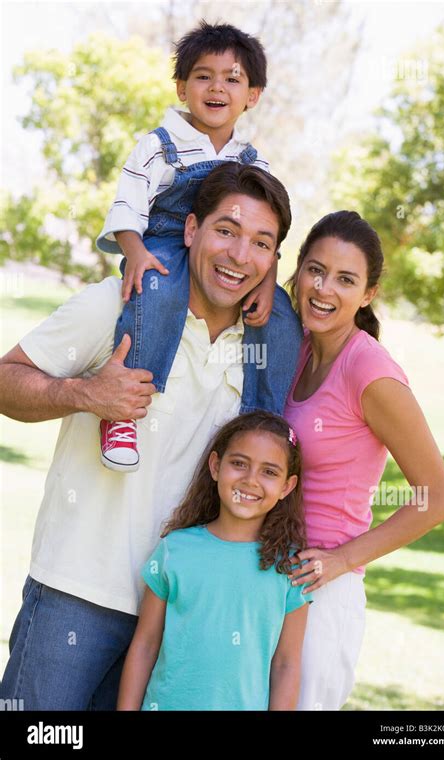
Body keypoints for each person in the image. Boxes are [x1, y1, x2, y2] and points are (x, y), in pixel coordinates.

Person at [0, 162, 301, 710]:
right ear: (191, 231)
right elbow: (5, 381)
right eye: (226, 231)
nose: (239, 256)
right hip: (77, 591)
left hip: (181, 614)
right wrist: (84, 395)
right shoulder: (120, 303)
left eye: (261, 243)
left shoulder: (263, 350)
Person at [95, 20, 299, 472]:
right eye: (204, 76)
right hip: (166, 242)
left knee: (281, 315)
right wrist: (135, 252)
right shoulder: (158, 146)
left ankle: (265, 424)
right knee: (158, 288)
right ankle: (123, 413)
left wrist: (268, 278)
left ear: (253, 95)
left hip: (228, 255)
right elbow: (127, 205)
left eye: (233, 78)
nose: (217, 87)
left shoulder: (252, 160)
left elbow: (270, 225)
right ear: (182, 87)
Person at [282, 210, 444, 711]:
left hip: (323, 595)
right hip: (271, 581)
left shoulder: (370, 370)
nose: (324, 288)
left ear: (368, 294)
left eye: (345, 279)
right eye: (315, 270)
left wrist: (342, 560)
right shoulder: (298, 347)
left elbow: (439, 498)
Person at [117, 412, 312, 711]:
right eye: (239, 464)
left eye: (269, 472)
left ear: (287, 486)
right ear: (215, 466)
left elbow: (286, 664)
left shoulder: (290, 568)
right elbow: (145, 645)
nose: (250, 480)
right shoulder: (175, 550)